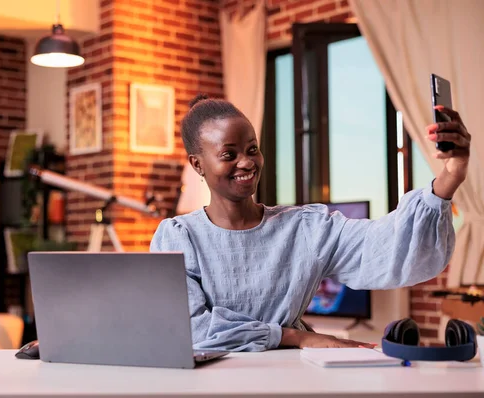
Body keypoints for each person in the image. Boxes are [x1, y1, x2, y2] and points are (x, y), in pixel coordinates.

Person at [150, 94, 471, 352]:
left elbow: (388, 245)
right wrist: (295, 337)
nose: (246, 162)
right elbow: (191, 330)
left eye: (252, 149)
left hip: (291, 379)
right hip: (210, 388)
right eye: (228, 155)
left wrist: (450, 176)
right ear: (198, 164)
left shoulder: (304, 228)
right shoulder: (178, 238)